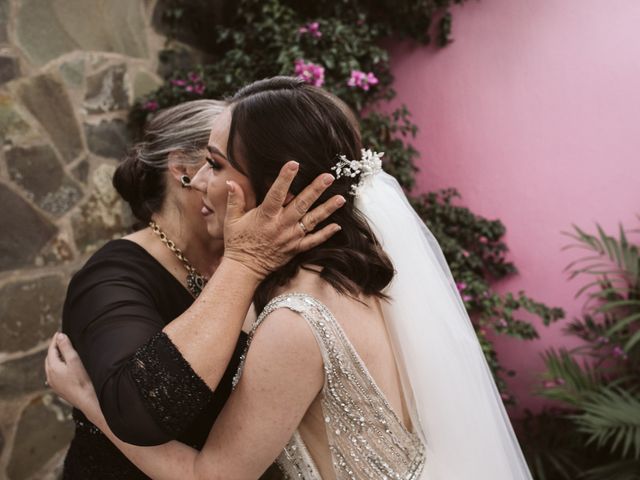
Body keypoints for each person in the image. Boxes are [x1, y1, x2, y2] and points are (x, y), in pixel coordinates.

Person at [47, 77, 533, 479]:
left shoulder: (297, 319)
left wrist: (92, 401)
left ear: (275, 181)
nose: (200, 182)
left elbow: (208, 478)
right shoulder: (362, 274)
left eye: (215, 166)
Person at [57, 98, 344, 479]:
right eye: (214, 163)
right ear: (183, 171)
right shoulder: (111, 276)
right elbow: (139, 411)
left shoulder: (262, 261)